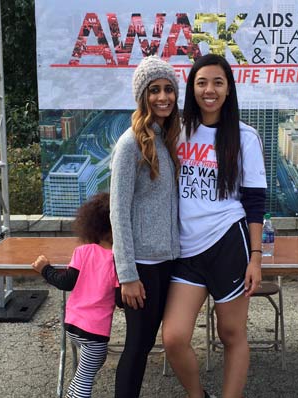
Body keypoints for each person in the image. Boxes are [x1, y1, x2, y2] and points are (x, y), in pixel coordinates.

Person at [162, 54, 267, 398]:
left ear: (228, 89)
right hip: (185, 249)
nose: (210, 90)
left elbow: (253, 202)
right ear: (191, 88)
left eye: (218, 82)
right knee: (174, 337)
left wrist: (256, 258)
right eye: (202, 82)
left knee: (231, 334)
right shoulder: (176, 130)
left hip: (228, 244)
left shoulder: (245, 137)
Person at [110, 56, 181, 398]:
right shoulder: (130, 144)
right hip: (142, 267)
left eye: (169, 89)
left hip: (166, 260)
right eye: (155, 90)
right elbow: (118, 211)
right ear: (142, 96)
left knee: (147, 342)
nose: (163, 97)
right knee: (137, 347)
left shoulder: (165, 141)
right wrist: (127, 274)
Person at [31, 192, 118, 398]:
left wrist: (45, 269)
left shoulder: (83, 252)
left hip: (72, 326)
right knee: (85, 380)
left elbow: (66, 282)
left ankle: (72, 393)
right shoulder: (117, 260)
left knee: (83, 374)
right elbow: (121, 298)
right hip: (95, 333)